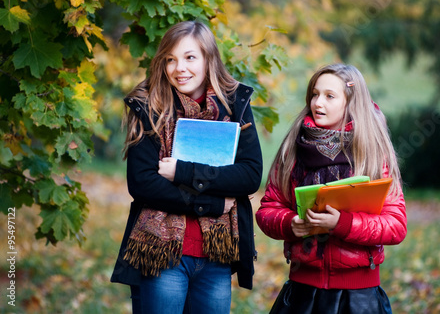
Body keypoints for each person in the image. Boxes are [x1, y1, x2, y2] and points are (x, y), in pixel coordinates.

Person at [110, 21, 263, 314]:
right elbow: (143, 184)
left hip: (216, 255)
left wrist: (182, 172)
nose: (179, 68)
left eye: (190, 57)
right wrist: (214, 201)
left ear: (209, 59)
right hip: (161, 254)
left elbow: (249, 174)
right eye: (170, 59)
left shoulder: (235, 107)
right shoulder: (150, 106)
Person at [256, 63, 407, 314]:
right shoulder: (293, 149)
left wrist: (343, 223)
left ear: (351, 102)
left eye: (329, 96)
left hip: (359, 297)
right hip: (302, 293)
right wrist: (290, 223)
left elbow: (396, 225)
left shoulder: (371, 152)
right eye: (315, 94)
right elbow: (267, 209)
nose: (318, 103)